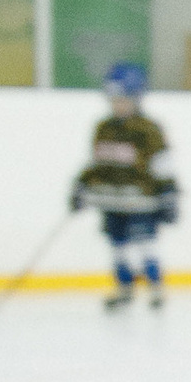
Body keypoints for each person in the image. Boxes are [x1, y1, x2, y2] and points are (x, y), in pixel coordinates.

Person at [70, 61, 176, 313]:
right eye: (114, 99)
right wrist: (81, 187)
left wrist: (169, 194)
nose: (118, 104)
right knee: (118, 246)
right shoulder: (103, 128)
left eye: (124, 99)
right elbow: (97, 163)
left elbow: (162, 165)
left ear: (137, 98)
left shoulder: (148, 130)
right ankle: (124, 287)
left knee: (144, 243)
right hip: (112, 201)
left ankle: (155, 287)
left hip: (142, 201)